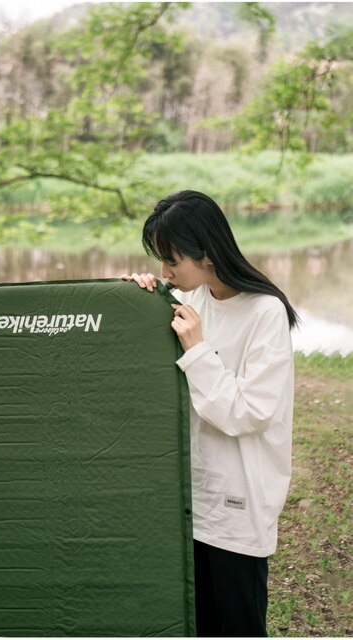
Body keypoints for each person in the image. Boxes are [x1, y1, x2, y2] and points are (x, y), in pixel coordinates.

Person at [121, 189, 297, 638]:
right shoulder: (192, 301)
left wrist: (197, 349)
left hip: (238, 505)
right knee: (192, 624)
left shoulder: (265, 312)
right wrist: (140, 305)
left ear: (208, 253)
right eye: (159, 261)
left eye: (171, 261)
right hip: (188, 500)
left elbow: (248, 412)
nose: (165, 272)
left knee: (237, 626)